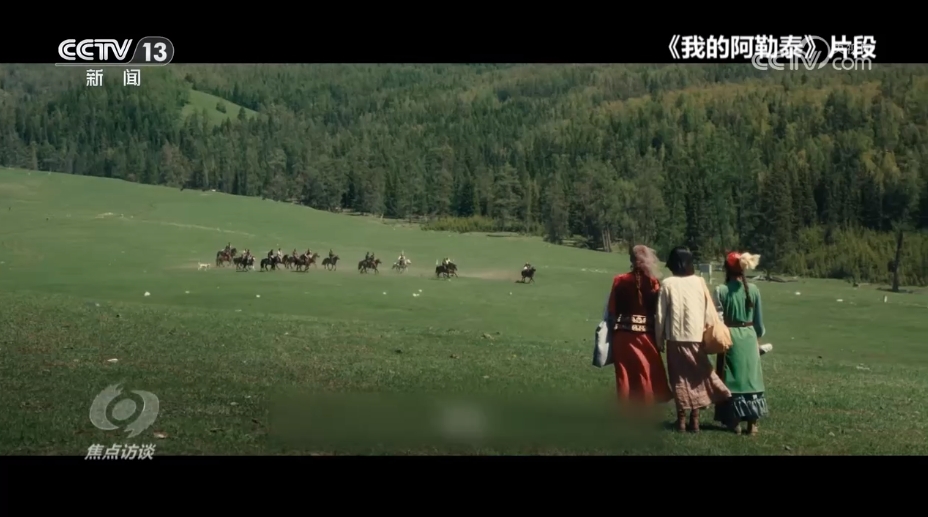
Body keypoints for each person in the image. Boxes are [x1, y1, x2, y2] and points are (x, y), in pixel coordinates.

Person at [655, 246, 731, 433]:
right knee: (697, 377)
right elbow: (709, 310)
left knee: (678, 379)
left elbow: (660, 315)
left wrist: (658, 339)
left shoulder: (667, 283)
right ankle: (695, 419)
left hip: (674, 338)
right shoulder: (699, 281)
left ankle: (681, 420)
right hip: (696, 337)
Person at [605, 245, 673, 410]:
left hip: (622, 336)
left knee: (624, 373)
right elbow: (658, 310)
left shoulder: (619, 280)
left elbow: (612, 309)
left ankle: (625, 409)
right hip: (645, 336)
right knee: (645, 371)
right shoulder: (653, 282)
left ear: (631, 259)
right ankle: (646, 407)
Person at [713, 251, 768, 435]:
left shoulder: (721, 290)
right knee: (751, 380)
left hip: (730, 337)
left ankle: (734, 421)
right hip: (749, 337)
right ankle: (752, 424)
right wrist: (757, 336)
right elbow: (759, 323)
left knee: (732, 379)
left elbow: (717, 319)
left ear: (726, 269)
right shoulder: (754, 290)